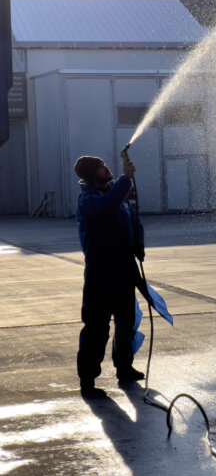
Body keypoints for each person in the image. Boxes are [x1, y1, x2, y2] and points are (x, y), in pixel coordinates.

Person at [74, 155, 146, 398]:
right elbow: (107, 207)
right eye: (102, 169)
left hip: (123, 269)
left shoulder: (117, 192)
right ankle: (88, 380)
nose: (107, 170)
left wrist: (139, 243)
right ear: (92, 176)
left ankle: (124, 368)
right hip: (100, 273)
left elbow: (134, 219)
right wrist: (126, 179)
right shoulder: (88, 199)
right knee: (96, 326)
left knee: (126, 322)